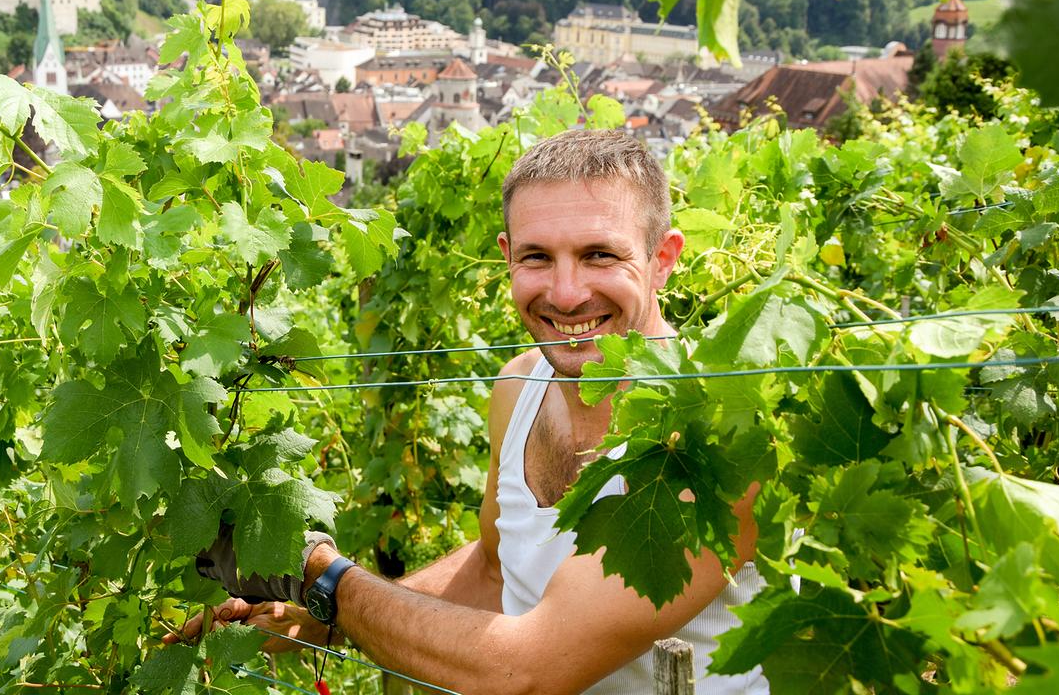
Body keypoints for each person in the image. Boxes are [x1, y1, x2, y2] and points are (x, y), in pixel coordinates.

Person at [169, 129, 767, 694]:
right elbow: (492, 571)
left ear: (663, 258)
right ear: (506, 255)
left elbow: (523, 674)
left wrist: (323, 576)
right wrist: (319, 621)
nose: (564, 293)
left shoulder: (715, 428)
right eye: (537, 258)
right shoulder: (519, 387)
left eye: (599, 255)